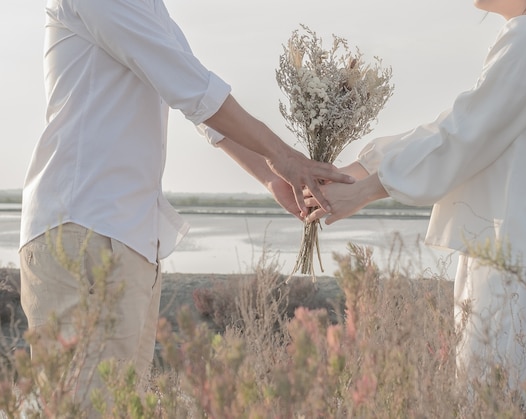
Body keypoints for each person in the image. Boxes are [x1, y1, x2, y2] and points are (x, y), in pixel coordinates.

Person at [18, 0, 353, 410]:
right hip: (80, 232)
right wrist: (281, 156)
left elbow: (201, 109)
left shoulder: (151, 10)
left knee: (124, 407)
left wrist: (271, 176)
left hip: (131, 240)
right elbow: (191, 88)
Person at [307, 0, 526, 397]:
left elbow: (465, 136)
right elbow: (458, 126)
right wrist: (358, 169)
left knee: (497, 403)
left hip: (523, 271)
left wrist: (367, 189)